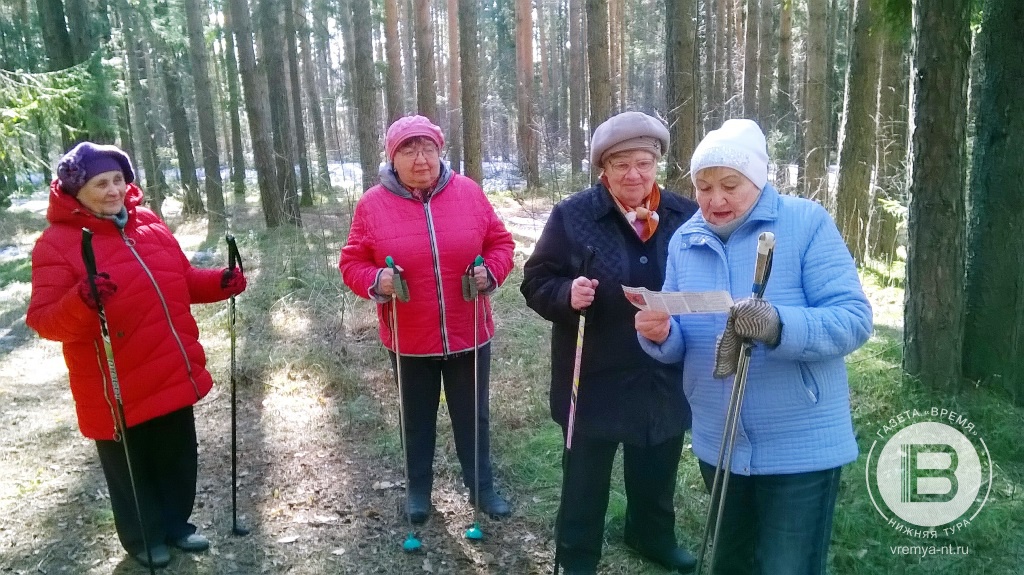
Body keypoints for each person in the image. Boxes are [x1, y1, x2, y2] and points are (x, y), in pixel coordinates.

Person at [636, 119, 873, 575]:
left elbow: (854, 320)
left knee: (786, 567)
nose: (714, 200)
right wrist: (662, 334)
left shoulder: (805, 223)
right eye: (703, 186)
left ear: (759, 180)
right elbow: (684, 338)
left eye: (730, 185)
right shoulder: (687, 239)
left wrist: (778, 323)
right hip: (718, 440)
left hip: (799, 444)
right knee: (730, 563)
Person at [26, 142, 248, 568]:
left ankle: (177, 526)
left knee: (178, 457)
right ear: (75, 191)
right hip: (115, 382)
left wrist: (219, 282)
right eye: (100, 183)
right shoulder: (56, 244)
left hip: (168, 367)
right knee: (132, 469)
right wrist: (82, 300)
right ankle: (143, 537)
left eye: (118, 180)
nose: (113, 191)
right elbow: (45, 321)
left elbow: (181, 280)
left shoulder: (148, 224)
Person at [521, 111, 699, 575]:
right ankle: (577, 555)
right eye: (621, 164)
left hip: (664, 369)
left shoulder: (686, 214)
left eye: (644, 162)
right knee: (585, 476)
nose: (634, 174)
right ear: (603, 169)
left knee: (657, 462)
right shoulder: (573, 215)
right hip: (594, 371)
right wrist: (566, 294)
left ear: (658, 163)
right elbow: (536, 280)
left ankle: (650, 534)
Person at [339, 115, 515, 524]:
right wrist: (376, 279)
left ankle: (482, 487)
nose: (421, 159)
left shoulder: (468, 193)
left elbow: (500, 242)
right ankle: (418, 490)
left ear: (440, 151)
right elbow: (351, 262)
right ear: (392, 159)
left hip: (468, 332)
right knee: (415, 420)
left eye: (428, 148)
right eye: (408, 150)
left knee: (474, 417)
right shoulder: (371, 205)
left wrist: (491, 271)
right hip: (409, 337)